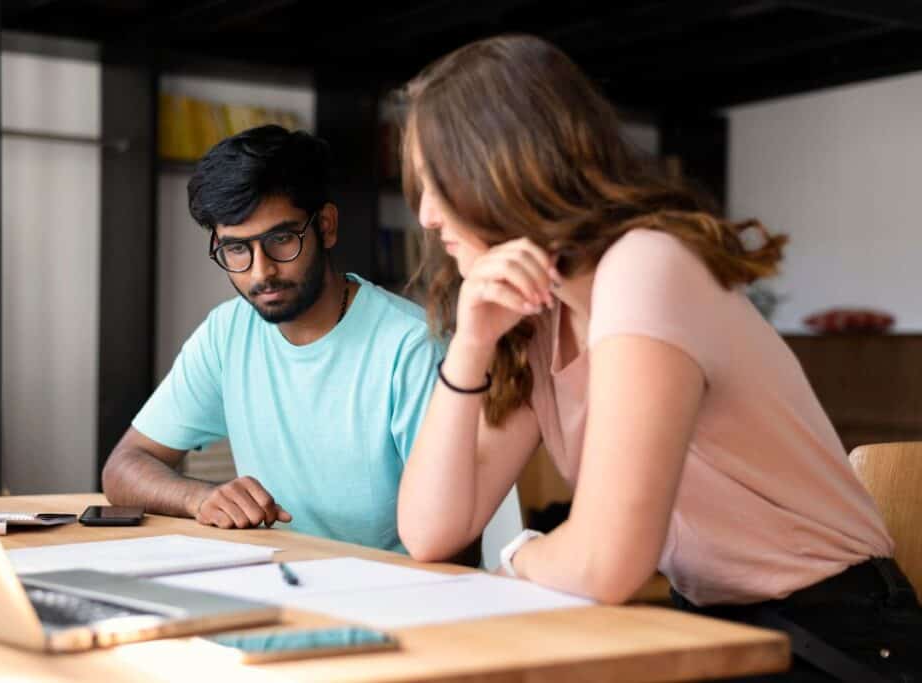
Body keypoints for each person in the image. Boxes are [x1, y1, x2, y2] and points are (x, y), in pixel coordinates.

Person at [395, 34, 922, 681]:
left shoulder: (644, 265)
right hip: (710, 625)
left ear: (500, 167)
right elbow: (430, 530)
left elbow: (606, 561)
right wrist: (473, 342)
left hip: (836, 634)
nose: (424, 215)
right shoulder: (538, 315)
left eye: (436, 182)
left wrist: (521, 555)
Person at [103, 125, 443, 554]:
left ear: (326, 226)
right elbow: (124, 465)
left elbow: (454, 546)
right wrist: (201, 498)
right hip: (279, 591)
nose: (260, 272)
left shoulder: (411, 347)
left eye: (281, 240)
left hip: (394, 603)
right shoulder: (227, 332)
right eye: (237, 249)